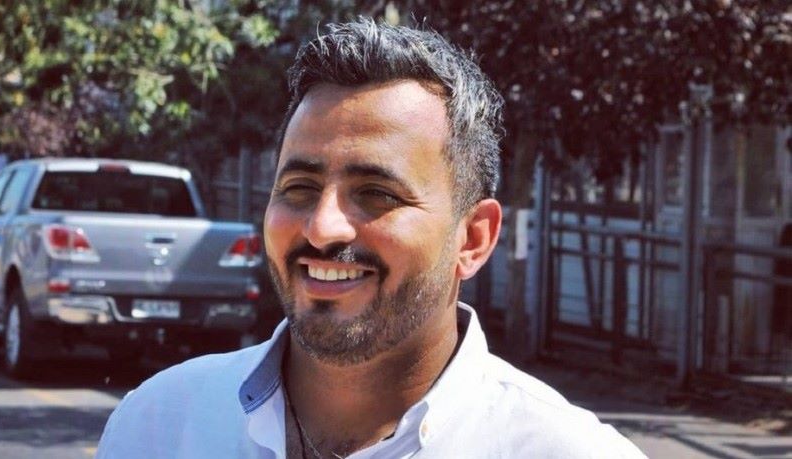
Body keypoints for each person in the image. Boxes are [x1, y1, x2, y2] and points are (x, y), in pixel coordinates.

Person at [96, 19, 645, 458]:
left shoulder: (565, 450)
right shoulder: (160, 426)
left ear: (473, 239)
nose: (322, 227)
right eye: (299, 188)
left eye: (378, 194)